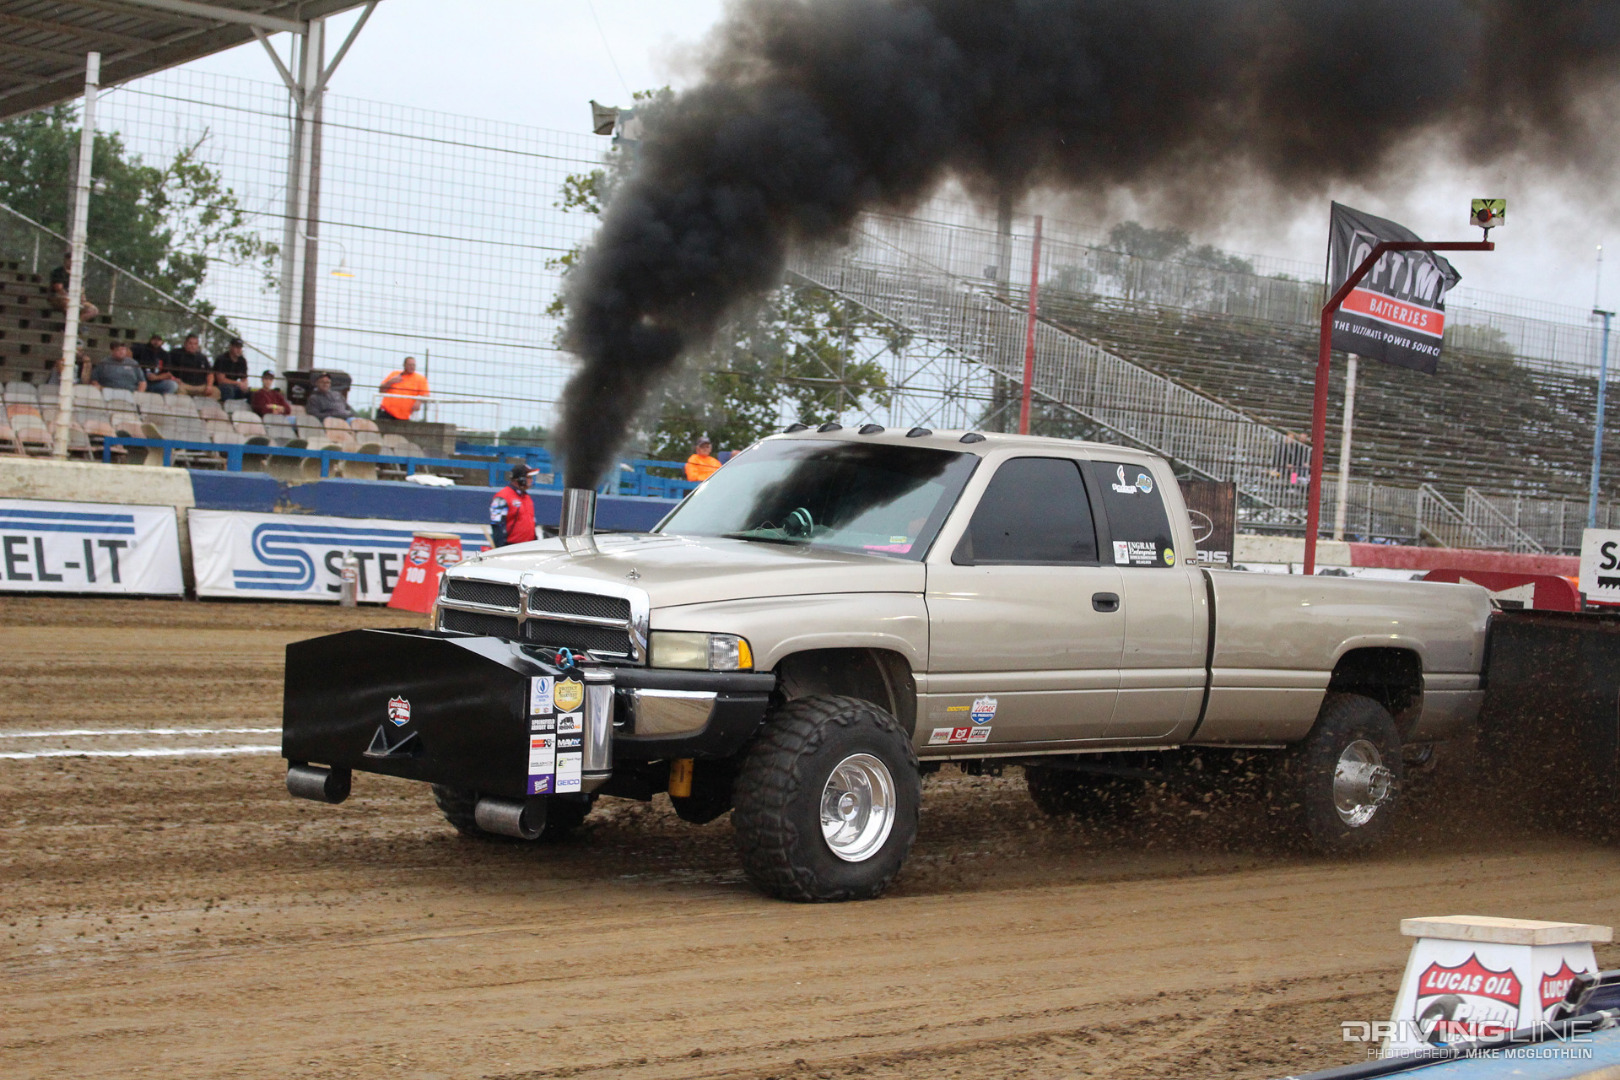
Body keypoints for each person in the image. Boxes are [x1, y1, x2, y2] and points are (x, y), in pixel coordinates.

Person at [489, 463, 537, 547]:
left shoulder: (526, 497)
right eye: (529, 477)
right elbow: (497, 525)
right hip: (511, 546)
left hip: (528, 546)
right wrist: (501, 548)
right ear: (521, 479)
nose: (531, 480)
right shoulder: (502, 497)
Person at [48, 249, 98, 322]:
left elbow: (81, 289)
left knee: (93, 310)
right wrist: (70, 298)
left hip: (75, 299)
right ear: (65, 260)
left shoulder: (77, 274)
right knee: (70, 305)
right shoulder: (58, 272)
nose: (71, 262)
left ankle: (76, 323)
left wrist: (82, 298)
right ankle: (69, 323)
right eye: (70, 260)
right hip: (58, 297)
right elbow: (58, 288)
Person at [377, 356, 429, 421]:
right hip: (387, 412)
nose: (412, 367)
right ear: (404, 365)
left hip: (404, 416)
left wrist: (419, 400)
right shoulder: (395, 374)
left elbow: (427, 395)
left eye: (413, 365)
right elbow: (381, 390)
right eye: (410, 365)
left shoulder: (420, 379)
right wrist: (390, 382)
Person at [169, 334, 219, 398]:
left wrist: (209, 386)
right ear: (185, 343)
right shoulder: (175, 353)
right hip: (183, 384)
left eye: (195, 344)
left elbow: (210, 374)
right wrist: (173, 378)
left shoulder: (202, 357)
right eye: (190, 343)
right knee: (179, 390)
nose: (193, 346)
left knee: (216, 391)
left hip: (200, 386)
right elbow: (166, 369)